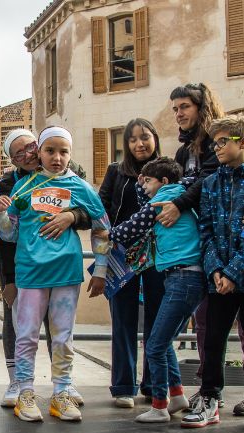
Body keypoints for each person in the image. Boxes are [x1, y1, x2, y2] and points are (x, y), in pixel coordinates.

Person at [0, 126, 111, 422]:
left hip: (67, 273)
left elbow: (102, 227)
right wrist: (0, 213)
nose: (57, 157)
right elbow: (9, 236)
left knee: (63, 336)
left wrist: (100, 269)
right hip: (30, 273)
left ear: (70, 154)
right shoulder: (21, 187)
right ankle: (24, 392)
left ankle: (61, 393)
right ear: (40, 152)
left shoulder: (81, 187)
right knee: (27, 335)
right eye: (50, 151)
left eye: (63, 151)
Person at [181, 115, 244, 430]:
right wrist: (217, 270)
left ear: (243, 142)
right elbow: (205, 231)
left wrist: (235, 272)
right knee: (213, 339)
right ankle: (209, 398)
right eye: (214, 142)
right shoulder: (210, 183)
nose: (216, 148)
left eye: (223, 141)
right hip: (218, 280)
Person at [104, 158, 205, 423]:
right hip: (187, 279)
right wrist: (143, 180)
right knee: (164, 340)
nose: (143, 186)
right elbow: (143, 200)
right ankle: (178, 394)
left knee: (154, 345)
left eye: (148, 181)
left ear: (164, 183)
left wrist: (110, 234)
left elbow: (133, 226)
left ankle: (160, 405)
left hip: (181, 278)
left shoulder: (161, 202)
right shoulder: (178, 195)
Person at [96, 118, 165, 408]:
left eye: (145, 137)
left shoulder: (166, 170)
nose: (140, 144)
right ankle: (124, 386)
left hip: (158, 255)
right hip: (121, 254)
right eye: (133, 139)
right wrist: (103, 253)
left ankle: (153, 385)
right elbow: (100, 209)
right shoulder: (115, 172)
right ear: (125, 144)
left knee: (156, 322)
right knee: (122, 321)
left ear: (155, 139)